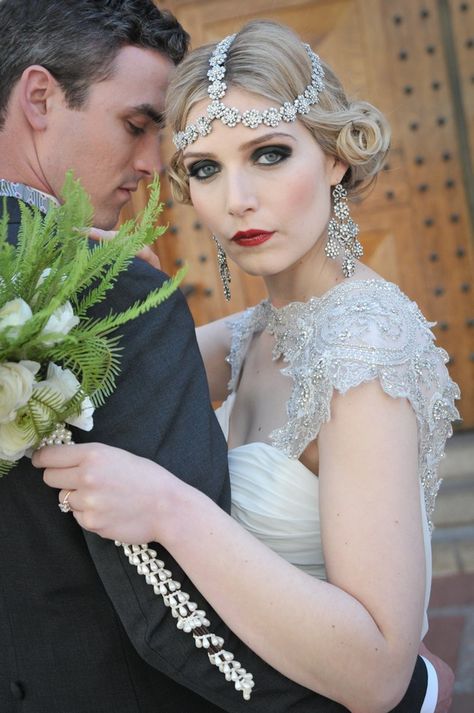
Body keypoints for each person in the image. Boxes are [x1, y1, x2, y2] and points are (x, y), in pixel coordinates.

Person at [0, 2, 444, 712]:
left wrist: (173, 510)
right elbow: (122, 360)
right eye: (204, 168)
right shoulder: (253, 335)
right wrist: (81, 253)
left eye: (269, 154)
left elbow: (381, 674)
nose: (237, 200)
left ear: (333, 155)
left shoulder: (365, 351)